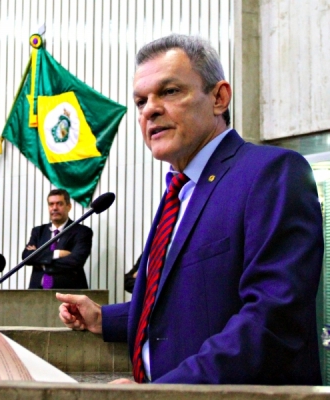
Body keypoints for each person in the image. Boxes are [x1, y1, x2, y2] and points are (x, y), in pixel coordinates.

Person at [57, 34, 323, 385]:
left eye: (169, 92)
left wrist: (159, 394)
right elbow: (186, 303)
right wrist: (105, 319)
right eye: (140, 101)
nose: (149, 109)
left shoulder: (271, 174)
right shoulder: (178, 193)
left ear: (218, 97)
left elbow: (270, 321)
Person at [23, 189, 93, 290]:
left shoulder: (82, 232)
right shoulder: (38, 231)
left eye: (59, 204)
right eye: (51, 204)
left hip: (69, 293)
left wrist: (41, 262)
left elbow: (76, 261)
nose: (54, 208)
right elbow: (26, 256)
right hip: (37, 293)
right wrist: (57, 253)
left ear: (68, 207)